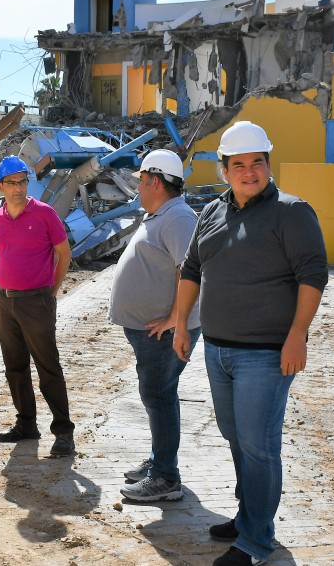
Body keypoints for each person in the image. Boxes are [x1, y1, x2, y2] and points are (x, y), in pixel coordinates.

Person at [172, 121, 328, 566]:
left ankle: (256, 541)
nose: (248, 172)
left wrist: (297, 336)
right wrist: (182, 325)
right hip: (217, 350)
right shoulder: (213, 212)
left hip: (265, 354)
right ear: (224, 170)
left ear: (267, 164)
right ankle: (248, 518)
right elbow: (191, 269)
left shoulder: (292, 212)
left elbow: (312, 275)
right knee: (238, 439)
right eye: (238, 165)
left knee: (259, 445)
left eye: (256, 162)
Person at [110, 150, 202, 502]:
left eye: (141, 182)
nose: (138, 188)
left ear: (155, 181)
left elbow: (191, 270)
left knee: (159, 395)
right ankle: (159, 460)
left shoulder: (178, 218)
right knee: (158, 394)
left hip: (164, 332)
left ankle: (166, 477)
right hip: (154, 330)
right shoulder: (162, 214)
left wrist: (176, 319)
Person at [0, 155, 76, 457]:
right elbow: (3, 253)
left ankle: (64, 431)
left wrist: (51, 292)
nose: (18, 188)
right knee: (14, 366)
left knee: (47, 366)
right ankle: (26, 423)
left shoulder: (44, 214)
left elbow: (63, 254)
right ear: (0, 186)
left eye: (23, 181)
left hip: (36, 300)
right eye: (11, 183)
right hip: (4, 300)